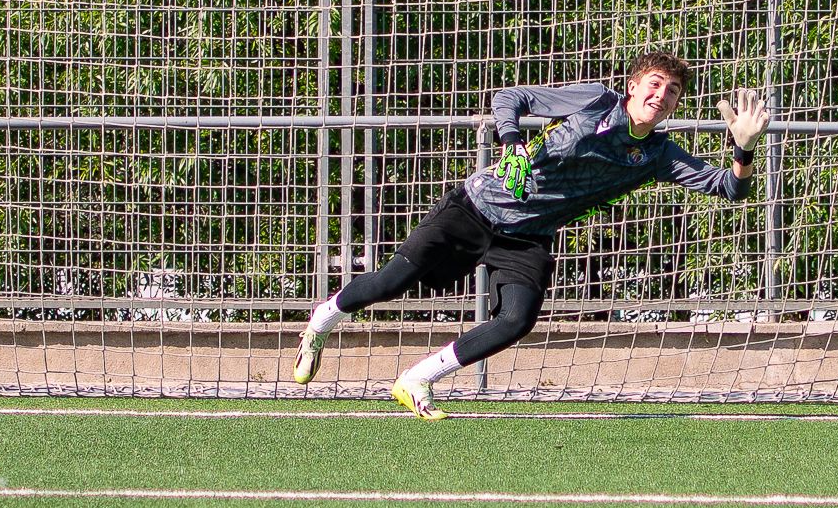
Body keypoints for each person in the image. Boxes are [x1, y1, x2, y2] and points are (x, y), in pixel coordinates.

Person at [292, 51, 769, 416]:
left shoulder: (660, 154)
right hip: (478, 207)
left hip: (529, 237)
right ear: (632, 87)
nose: (661, 96)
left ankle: (417, 379)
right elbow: (509, 99)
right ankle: (323, 319)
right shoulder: (595, 100)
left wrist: (743, 148)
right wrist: (512, 142)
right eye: (654, 84)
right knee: (390, 283)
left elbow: (729, 187)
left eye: (672, 93)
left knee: (517, 319)